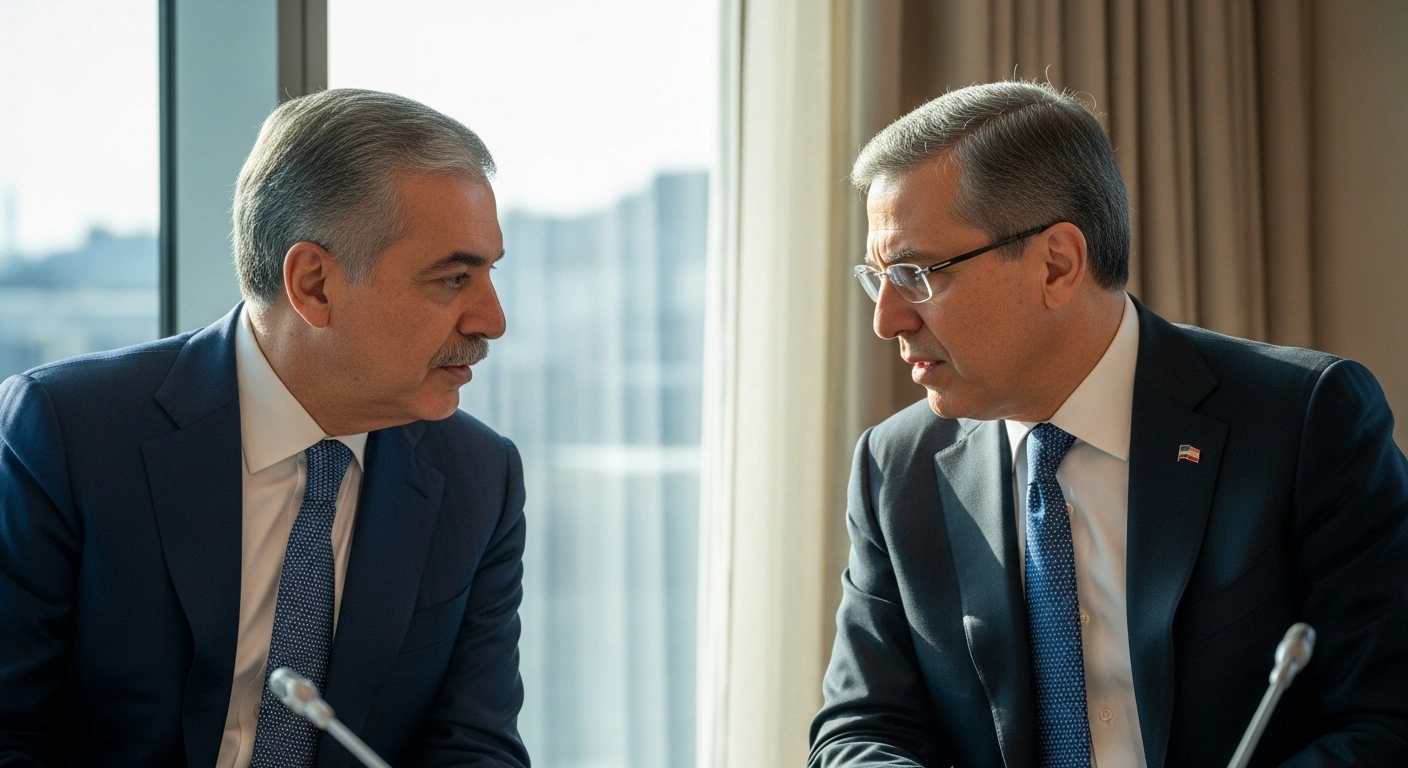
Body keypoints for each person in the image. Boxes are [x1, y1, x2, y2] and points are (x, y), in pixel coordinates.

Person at [809, 81, 1408, 767]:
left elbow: (1388, 719)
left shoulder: (1305, 421)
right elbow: (861, 732)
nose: (888, 318)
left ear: (1057, 265)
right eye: (877, 277)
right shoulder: (897, 466)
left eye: (915, 273)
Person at [0, 89, 529, 767]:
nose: (492, 320)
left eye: (489, 272)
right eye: (454, 278)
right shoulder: (66, 433)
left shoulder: (479, 478)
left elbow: (474, 747)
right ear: (313, 284)